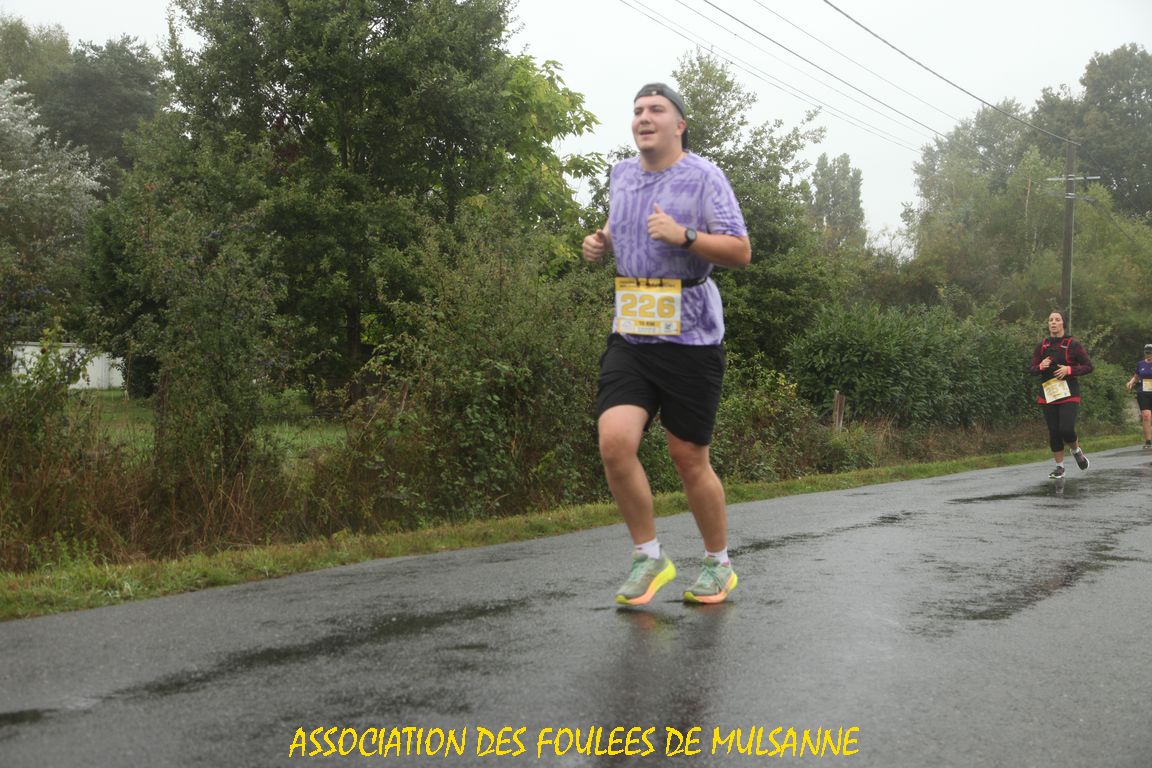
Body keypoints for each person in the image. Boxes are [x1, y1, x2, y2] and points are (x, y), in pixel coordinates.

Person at [582, 82, 751, 606]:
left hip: (691, 338)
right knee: (614, 442)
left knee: (688, 457)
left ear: (679, 125)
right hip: (632, 333)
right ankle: (649, 556)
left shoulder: (704, 177)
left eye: (656, 109)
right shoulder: (621, 174)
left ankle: (719, 564)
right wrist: (602, 240)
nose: (644, 117)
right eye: (637, 110)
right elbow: (621, 221)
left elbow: (741, 251)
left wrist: (686, 236)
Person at [1028, 311, 1094, 479]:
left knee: (1066, 428)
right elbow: (1032, 370)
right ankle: (1060, 467)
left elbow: (1089, 366)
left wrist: (1069, 370)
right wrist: (1040, 366)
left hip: (1069, 393)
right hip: (1048, 393)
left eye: (1057, 320)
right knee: (1054, 431)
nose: (1053, 322)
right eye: (1050, 320)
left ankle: (1076, 451)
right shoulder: (1042, 346)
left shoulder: (1073, 345)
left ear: (1063, 323)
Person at [1124, 343, 1152, 449]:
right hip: (1143, 392)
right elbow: (1136, 376)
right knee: (1146, 416)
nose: (1148, 355)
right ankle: (1148, 441)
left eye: (1150, 353)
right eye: (1147, 353)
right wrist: (1131, 382)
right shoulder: (1140, 364)